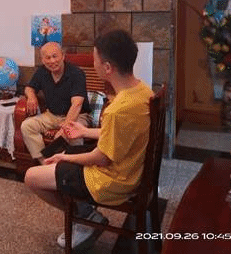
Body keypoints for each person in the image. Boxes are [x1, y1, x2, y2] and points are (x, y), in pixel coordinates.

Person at [24, 30, 153, 251]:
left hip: (112, 180)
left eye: (95, 59)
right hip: (130, 169)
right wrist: (85, 132)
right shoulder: (142, 91)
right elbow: (118, 134)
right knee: (61, 157)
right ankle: (84, 214)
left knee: (31, 177)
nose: (93, 64)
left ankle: (85, 217)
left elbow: (100, 158)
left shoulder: (118, 109)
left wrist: (65, 158)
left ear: (107, 67)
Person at [20, 42, 92, 164]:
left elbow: (77, 104)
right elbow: (29, 87)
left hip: (77, 116)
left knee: (72, 134)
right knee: (27, 126)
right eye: (48, 58)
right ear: (42, 60)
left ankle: (73, 167)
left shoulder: (76, 73)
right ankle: (45, 163)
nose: (52, 61)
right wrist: (31, 97)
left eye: (55, 56)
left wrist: (65, 128)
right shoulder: (42, 72)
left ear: (63, 56)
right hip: (52, 115)